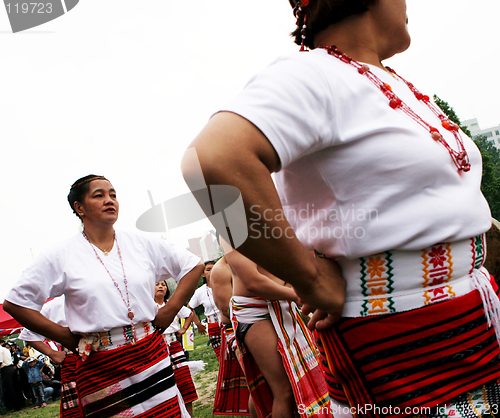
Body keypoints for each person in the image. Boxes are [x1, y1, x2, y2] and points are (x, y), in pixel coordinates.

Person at [182, 1, 500, 417]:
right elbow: (210, 164)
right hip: (399, 333)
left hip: (470, 314)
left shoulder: (381, 80)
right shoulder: (315, 74)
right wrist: (307, 276)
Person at [4, 174, 204, 418]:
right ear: (79, 207)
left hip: (151, 353)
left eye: (113, 194)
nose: (110, 200)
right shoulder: (61, 254)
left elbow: (193, 266)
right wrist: (64, 337)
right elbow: (15, 303)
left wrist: (170, 310)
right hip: (100, 363)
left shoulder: (140, 243)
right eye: (99, 195)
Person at [220, 241, 331, 418]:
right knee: (284, 390)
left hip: (284, 302)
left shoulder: (268, 219)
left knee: (294, 383)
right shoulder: (230, 223)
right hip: (255, 310)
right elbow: (252, 281)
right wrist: (301, 295)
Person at [154, 280, 198, 417]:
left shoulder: (172, 305)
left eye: (164, 284)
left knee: (184, 383)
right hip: (156, 349)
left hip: (175, 347)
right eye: (157, 284)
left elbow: (189, 313)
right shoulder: (147, 306)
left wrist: (184, 329)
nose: (161, 286)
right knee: (163, 386)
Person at [188, 261, 223, 361]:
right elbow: (189, 308)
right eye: (208, 269)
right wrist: (198, 324)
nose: (212, 271)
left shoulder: (227, 283)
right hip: (214, 327)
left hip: (230, 323)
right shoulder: (200, 291)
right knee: (223, 358)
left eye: (215, 268)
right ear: (202, 274)